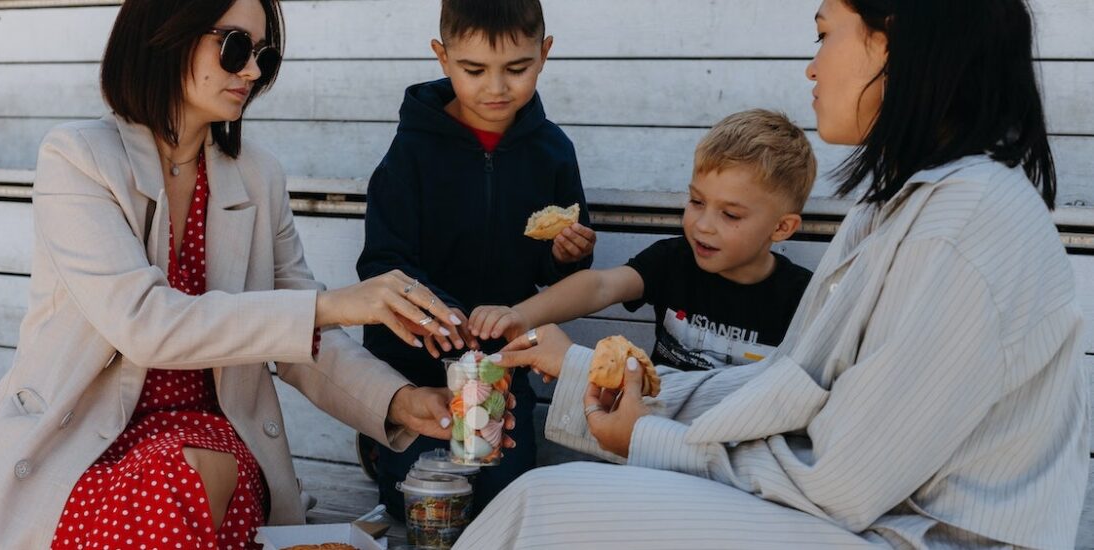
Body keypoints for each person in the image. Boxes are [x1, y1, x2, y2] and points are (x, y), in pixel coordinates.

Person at [457, 0, 1089, 548]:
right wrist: (579, 371)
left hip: (898, 533)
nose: (812, 67)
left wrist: (648, 437)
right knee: (541, 503)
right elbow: (791, 395)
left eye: (824, 34)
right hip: (865, 522)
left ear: (894, 39)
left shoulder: (964, 225)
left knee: (541, 508)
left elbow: (840, 476)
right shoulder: (907, 207)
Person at [0, 0, 465, 547]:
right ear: (167, 33)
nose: (251, 72)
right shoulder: (77, 160)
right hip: (77, 444)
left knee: (184, 473)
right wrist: (339, 303)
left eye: (263, 57)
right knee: (170, 489)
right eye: (234, 48)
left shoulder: (258, 176)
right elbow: (146, 324)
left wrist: (399, 401)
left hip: (208, 442)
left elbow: (308, 343)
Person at [355, 0, 596, 519]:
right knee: (423, 509)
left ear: (545, 54)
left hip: (504, 378)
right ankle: (379, 448)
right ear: (442, 58)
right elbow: (382, 265)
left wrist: (566, 259)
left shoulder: (552, 152)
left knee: (503, 509)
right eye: (474, 70)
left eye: (517, 68)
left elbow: (553, 280)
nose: (496, 88)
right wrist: (444, 318)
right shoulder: (410, 156)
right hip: (415, 375)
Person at [470, 109, 816, 372]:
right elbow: (601, 286)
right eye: (696, 202)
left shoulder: (803, 299)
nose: (703, 225)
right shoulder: (674, 259)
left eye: (731, 215)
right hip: (650, 431)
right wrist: (519, 315)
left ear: (782, 227)